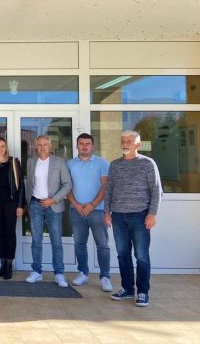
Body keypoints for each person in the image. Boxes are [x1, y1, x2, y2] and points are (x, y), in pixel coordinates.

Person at [105, 130, 162, 307]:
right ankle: (127, 289)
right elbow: (109, 190)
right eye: (123, 141)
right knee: (123, 255)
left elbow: (156, 190)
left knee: (141, 255)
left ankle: (143, 292)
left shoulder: (147, 163)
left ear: (138, 144)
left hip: (140, 216)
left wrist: (152, 213)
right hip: (118, 216)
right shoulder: (115, 165)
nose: (125, 144)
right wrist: (107, 212)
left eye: (129, 141)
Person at [67, 133, 112, 292]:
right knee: (79, 244)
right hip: (76, 210)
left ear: (92, 146)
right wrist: (77, 205)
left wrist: (92, 205)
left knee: (102, 245)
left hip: (97, 211)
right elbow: (67, 187)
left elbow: (106, 187)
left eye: (87, 144)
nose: (84, 146)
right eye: (81, 143)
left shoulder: (102, 163)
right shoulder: (70, 164)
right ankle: (83, 273)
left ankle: (105, 277)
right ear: (77, 145)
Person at [25, 135, 72, 287]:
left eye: (45, 144)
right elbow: (29, 184)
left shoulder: (59, 162)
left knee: (56, 241)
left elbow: (67, 184)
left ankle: (59, 274)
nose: (42, 147)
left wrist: (53, 200)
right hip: (36, 205)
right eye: (39, 145)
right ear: (35, 146)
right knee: (36, 240)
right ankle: (37, 272)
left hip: (53, 205)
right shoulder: (31, 161)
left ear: (50, 146)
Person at [0, 137, 25, 280]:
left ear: (6, 148)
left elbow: (21, 186)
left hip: (11, 203)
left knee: (10, 233)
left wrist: (20, 205)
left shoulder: (13, 162)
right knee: (0, 233)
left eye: (3, 146)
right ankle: (3, 263)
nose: (0, 148)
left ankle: (9, 265)